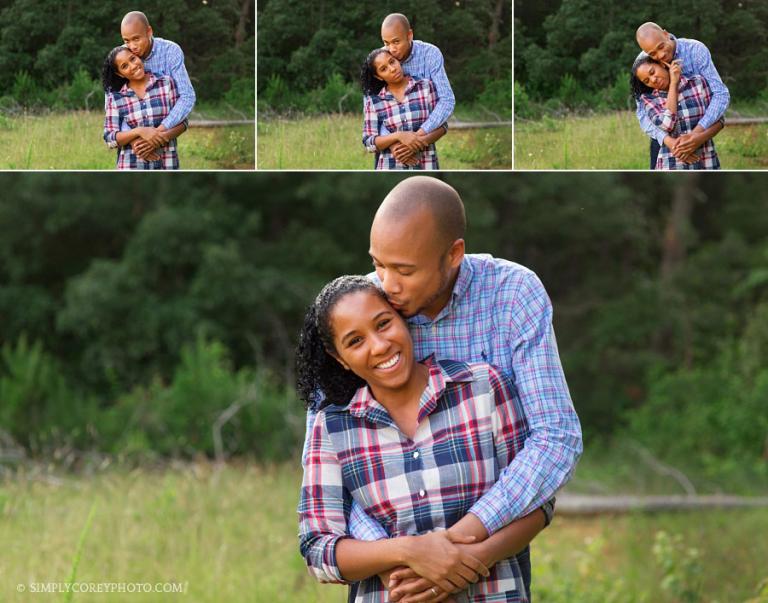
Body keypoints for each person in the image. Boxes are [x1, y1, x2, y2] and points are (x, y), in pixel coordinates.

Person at [300, 177, 583, 602]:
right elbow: (330, 474)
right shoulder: (362, 310)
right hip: (392, 586)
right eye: (378, 264)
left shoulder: (512, 295)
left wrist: (456, 552)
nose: (386, 284)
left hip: (493, 568)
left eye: (405, 271)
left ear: (453, 255)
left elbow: (554, 438)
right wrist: (407, 558)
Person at [298, 275, 548, 602]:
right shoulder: (331, 426)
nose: (379, 345)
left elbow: (537, 504)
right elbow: (318, 548)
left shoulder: (484, 388)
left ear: (404, 320)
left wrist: (466, 563)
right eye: (355, 341)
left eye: (383, 323)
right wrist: (408, 552)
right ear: (340, 358)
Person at [633, 22, 729, 169]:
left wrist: (695, 136)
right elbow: (642, 115)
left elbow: (720, 94)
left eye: (661, 46)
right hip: (665, 142)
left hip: (701, 135)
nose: (661, 55)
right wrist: (670, 142)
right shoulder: (644, 63)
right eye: (653, 53)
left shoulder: (695, 50)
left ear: (666, 34)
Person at [372, 13, 455, 167]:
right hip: (391, 153)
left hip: (425, 145)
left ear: (409, 35)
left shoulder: (430, 54)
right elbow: (376, 111)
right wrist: (394, 144)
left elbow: (446, 100)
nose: (391, 49)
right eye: (386, 42)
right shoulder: (380, 60)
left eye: (396, 42)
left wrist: (416, 139)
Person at [113, 11, 196, 162]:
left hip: (167, 143)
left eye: (136, 39)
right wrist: (136, 140)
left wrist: (157, 135)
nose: (132, 47)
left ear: (149, 32)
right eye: (126, 41)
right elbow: (115, 106)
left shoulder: (171, 51)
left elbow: (187, 96)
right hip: (133, 150)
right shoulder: (121, 57)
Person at [102, 47, 188, 169]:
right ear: (120, 74)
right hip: (130, 166)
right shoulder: (116, 98)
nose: (132, 66)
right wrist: (139, 131)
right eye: (124, 66)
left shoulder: (166, 83)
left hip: (166, 164)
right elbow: (110, 138)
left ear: (138, 57)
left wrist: (155, 140)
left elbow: (183, 122)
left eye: (133, 59)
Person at [361, 49, 446, 170]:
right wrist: (398, 136)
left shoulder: (425, 87)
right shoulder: (374, 101)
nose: (392, 69)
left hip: (426, 164)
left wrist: (414, 145)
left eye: (392, 62)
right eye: (383, 69)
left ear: (398, 61)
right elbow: (369, 143)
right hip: (389, 167)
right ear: (378, 77)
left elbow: (442, 126)